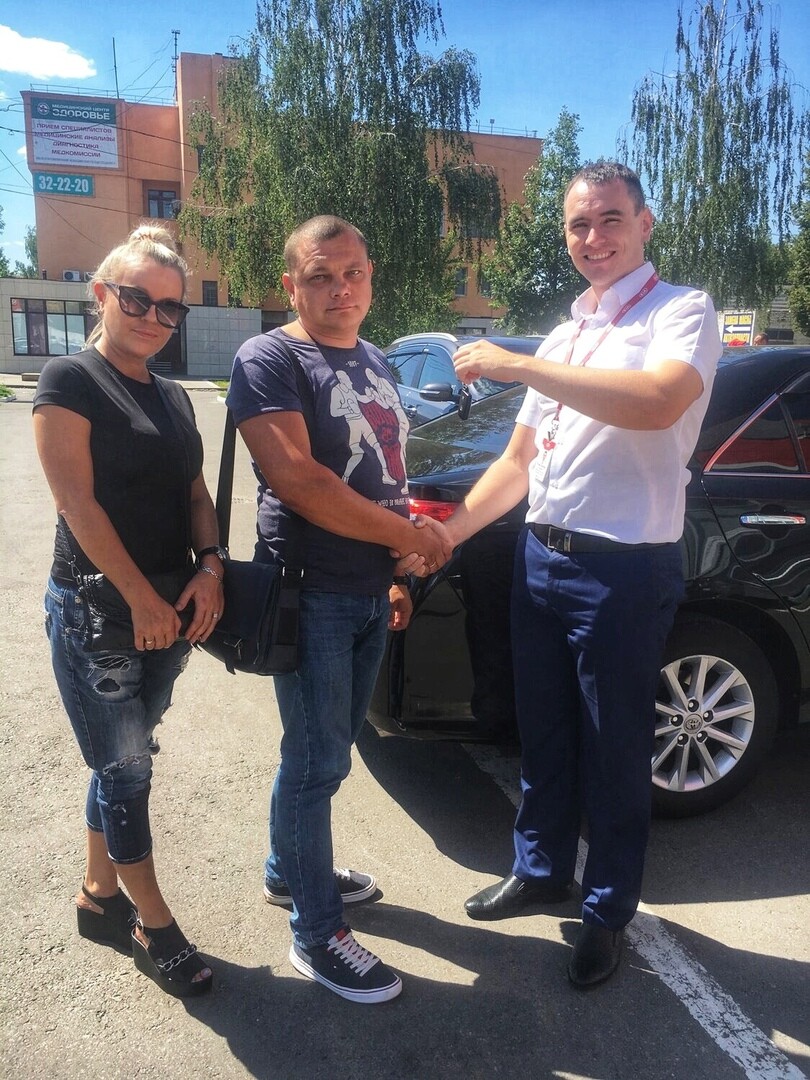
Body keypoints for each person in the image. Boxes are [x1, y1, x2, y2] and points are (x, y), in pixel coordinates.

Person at [445, 162, 722, 987]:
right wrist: (447, 534)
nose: (593, 238)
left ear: (644, 223)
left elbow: (658, 401)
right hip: (542, 557)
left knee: (614, 749)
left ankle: (605, 911)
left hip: (623, 568)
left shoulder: (683, 311)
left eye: (609, 220)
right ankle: (539, 871)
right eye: (578, 225)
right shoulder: (565, 333)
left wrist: (521, 366)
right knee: (544, 734)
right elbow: (519, 460)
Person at [227, 215, 451, 1004]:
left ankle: (289, 871)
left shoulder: (375, 357)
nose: (340, 289)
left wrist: (395, 569)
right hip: (310, 589)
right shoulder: (269, 358)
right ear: (291, 285)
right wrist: (411, 538)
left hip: (364, 588)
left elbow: (386, 471)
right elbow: (302, 482)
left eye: (353, 273)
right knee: (316, 762)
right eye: (320, 276)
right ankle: (317, 932)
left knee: (325, 752)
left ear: (370, 277)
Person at [33, 224, 225, 998]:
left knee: (125, 755)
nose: (154, 317)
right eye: (138, 299)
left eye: (170, 307)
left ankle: (98, 894)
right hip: (100, 612)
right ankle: (153, 921)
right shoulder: (69, 379)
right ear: (102, 294)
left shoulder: (173, 396)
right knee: (127, 771)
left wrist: (210, 568)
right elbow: (75, 503)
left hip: (171, 609)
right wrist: (142, 597)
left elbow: (195, 493)